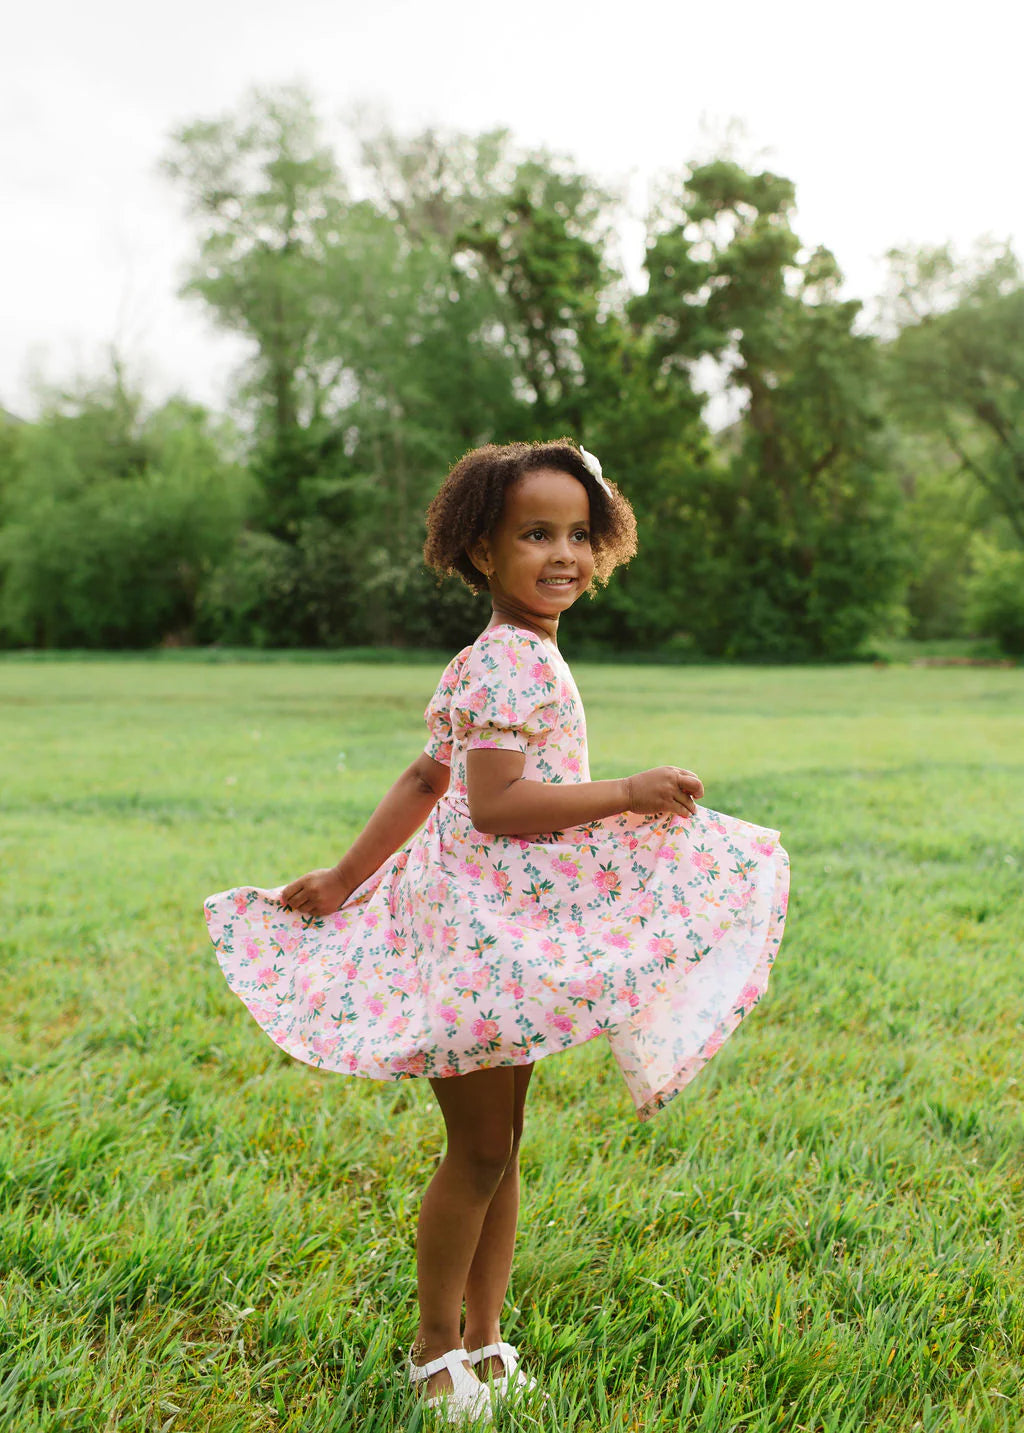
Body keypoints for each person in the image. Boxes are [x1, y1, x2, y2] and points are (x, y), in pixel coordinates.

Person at [203, 439, 790, 1426]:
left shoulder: (512, 654)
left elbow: (425, 777)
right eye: (534, 534)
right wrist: (628, 792)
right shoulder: (506, 661)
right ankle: (435, 1349)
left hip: (504, 935)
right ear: (481, 549)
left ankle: (483, 1334)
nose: (560, 554)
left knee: (500, 1145)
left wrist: (348, 874)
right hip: (475, 938)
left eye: (575, 533)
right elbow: (495, 802)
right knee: (477, 1149)